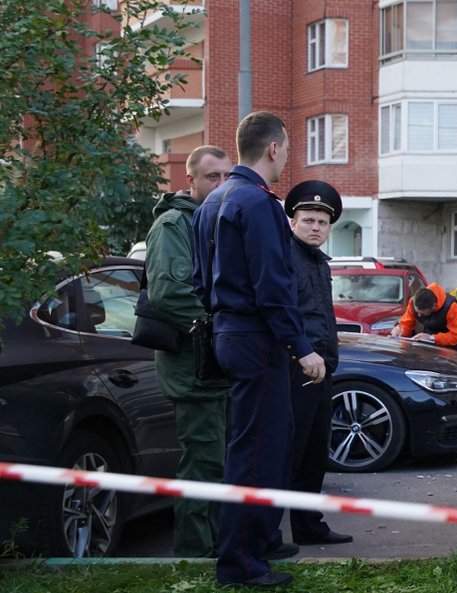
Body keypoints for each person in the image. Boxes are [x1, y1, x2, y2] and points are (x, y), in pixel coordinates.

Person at [192, 111, 326, 589]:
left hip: (229, 333)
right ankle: (240, 564)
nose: (288, 155)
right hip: (256, 340)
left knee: (256, 444)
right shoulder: (258, 204)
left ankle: (259, 545)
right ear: (273, 148)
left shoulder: (212, 202)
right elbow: (273, 287)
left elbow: (199, 281)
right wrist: (302, 347)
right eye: (287, 147)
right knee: (256, 454)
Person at [145, 145, 232, 558]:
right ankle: (195, 556)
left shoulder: (214, 221)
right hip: (193, 366)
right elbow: (169, 293)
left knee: (222, 462)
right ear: (190, 181)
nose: (220, 184)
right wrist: (222, 329)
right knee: (204, 463)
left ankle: (220, 547)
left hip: (217, 365)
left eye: (225, 177)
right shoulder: (173, 225)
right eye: (211, 177)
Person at [283, 180, 353, 546]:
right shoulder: (286, 257)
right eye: (308, 219)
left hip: (322, 369)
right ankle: (270, 534)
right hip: (295, 370)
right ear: (293, 222)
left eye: (322, 223)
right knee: (289, 455)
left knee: (314, 454)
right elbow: (287, 315)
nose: (315, 227)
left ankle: (309, 526)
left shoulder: (320, 263)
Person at [390, 283, 457, 353]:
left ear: (434, 307)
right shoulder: (413, 302)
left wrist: (431, 337)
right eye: (417, 311)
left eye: (422, 313)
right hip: (431, 341)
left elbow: (456, 336)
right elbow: (406, 323)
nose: (419, 315)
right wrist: (400, 331)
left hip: (456, 346)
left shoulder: (451, 307)